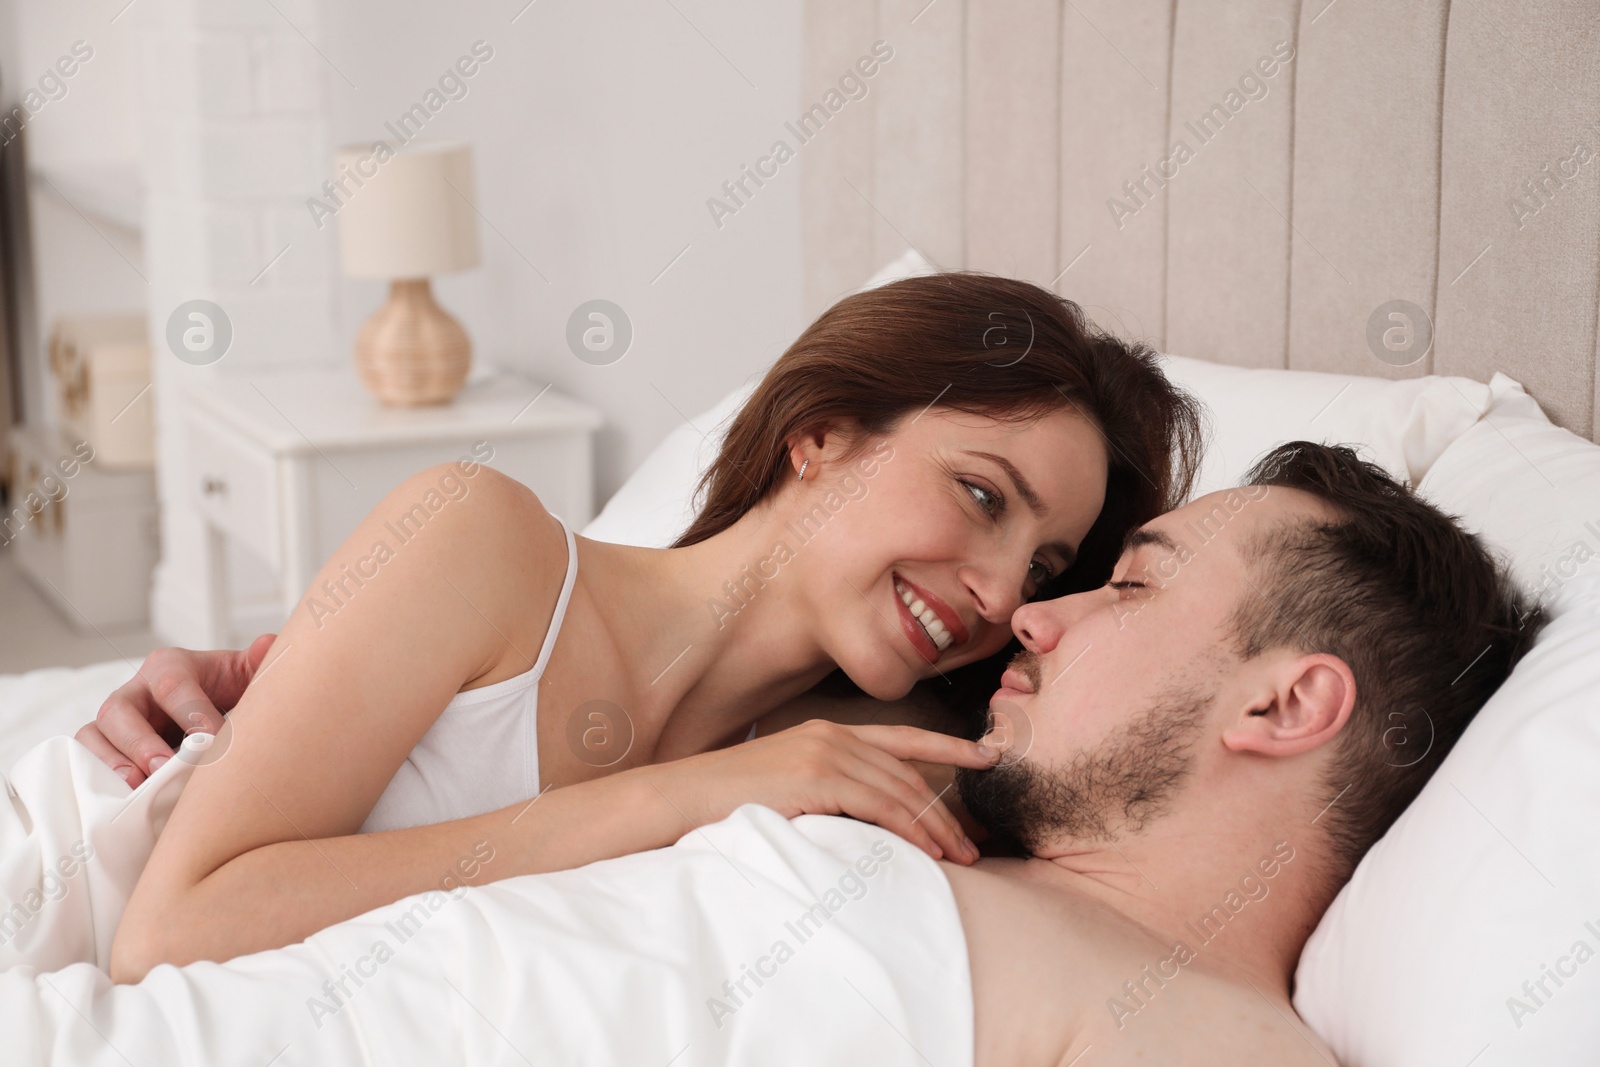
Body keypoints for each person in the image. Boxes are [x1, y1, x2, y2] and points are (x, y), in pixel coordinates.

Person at [56, 442, 1535, 1064]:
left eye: (1126, 580)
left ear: (1283, 706)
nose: (1033, 612)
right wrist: (269, 688)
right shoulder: (891, 775)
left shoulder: (1202, 1033)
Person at [93, 273, 1204, 982]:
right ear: (818, 434)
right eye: (980, 495)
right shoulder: (479, 541)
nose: (1003, 593)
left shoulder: (881, 756)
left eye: (1046, 564)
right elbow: (169, 933)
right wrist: (673, 796)